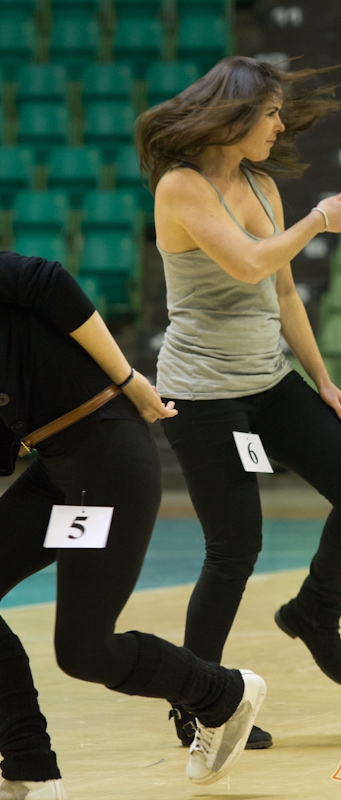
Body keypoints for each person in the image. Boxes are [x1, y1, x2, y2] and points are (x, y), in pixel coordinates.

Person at [135, 55, 341, 749]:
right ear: (237, 115)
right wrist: (317, 221)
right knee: (234, 547)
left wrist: (323, 381)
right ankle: (199, 706)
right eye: (270, 114)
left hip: (269, 381)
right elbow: (248, 261)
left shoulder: (258, 181)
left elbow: (278, 291)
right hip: (203, 394)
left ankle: (313, 610)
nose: (279, 127)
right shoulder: (180, 187)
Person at [0, 250, 266, 799]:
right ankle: (30, 770)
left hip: (105, 452)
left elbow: (49, 280)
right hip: (59, 465)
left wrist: (126, 376)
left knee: (83, 650)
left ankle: (223, 695)